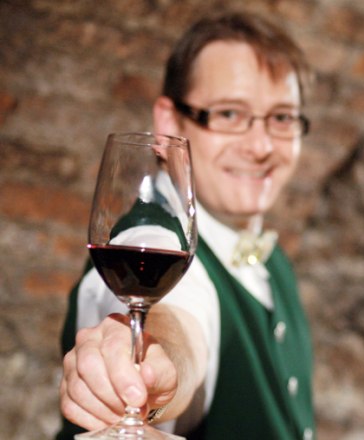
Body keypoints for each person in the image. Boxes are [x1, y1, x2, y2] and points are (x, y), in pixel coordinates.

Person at [57, 11, 316, 440]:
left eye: (283, 118)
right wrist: (157, 371)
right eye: (229, 114)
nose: (261, 145)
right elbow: (180, 323)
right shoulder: (149, 237)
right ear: (169, 124)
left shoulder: (277, 265)